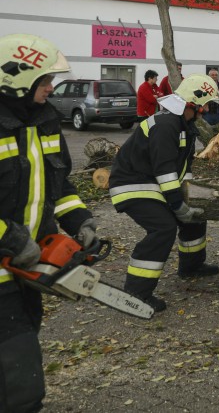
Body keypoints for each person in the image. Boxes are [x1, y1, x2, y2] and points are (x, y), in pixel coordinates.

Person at [0, 34, 98, 412]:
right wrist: (10, 238)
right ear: (17, 79)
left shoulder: (45, 121)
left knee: (20, 349)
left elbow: (59, 184)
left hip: (26, 264)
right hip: (9, 260)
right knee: (20, 376)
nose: (50, 87)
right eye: (44, 81)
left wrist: (81, 220)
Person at [108, 74, 219, 312]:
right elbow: (165, 170)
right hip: (133, 185)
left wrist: (188, 199)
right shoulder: (166, 124)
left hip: (152, 185)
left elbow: (183, 169)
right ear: (195, 102)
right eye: (207, 104)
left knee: (195, 215)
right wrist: (178, 206)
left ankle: (191, 265)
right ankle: (136, 292)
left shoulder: (183, 126)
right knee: (164, 227)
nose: (207, 109)